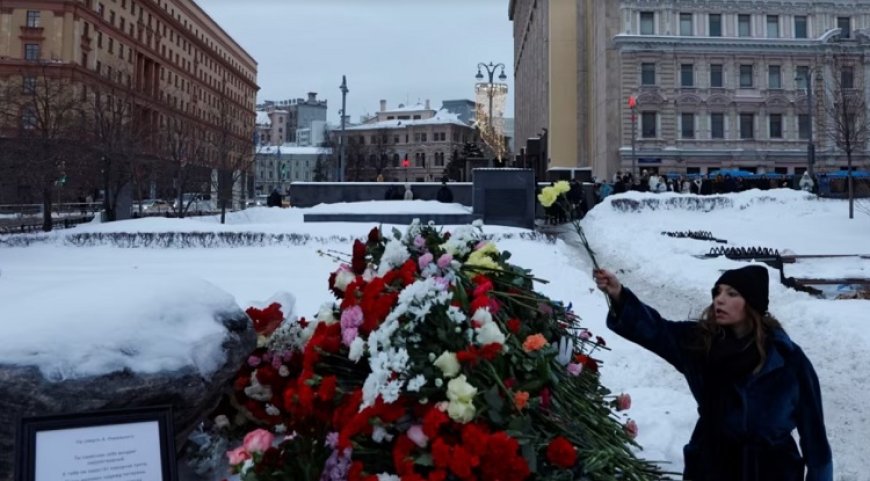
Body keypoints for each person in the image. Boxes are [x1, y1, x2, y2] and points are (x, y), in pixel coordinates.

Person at [593, 265, 832, 481]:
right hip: (711, 466)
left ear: (752, 302)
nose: (720, 300)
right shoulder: (699, 345)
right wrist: (618, 294)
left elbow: (816, 441)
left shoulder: (788, 360)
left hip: (773, 471)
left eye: (731, 294)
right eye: (718, 292)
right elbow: (656, 330)